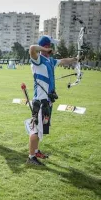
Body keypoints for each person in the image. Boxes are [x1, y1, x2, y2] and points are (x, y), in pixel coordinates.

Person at [27, 35, 77, 166]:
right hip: (40, 101)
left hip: (48, 101)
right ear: (46, 46)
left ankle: (36, 151)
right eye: (50, 46)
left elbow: (63, 61)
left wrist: (75, 59)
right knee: (36, 129)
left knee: (41, 128)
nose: (52, 48)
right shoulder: (38, 60)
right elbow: (32, 48)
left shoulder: (50, 61)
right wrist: (43, 48)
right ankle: (31, 157)